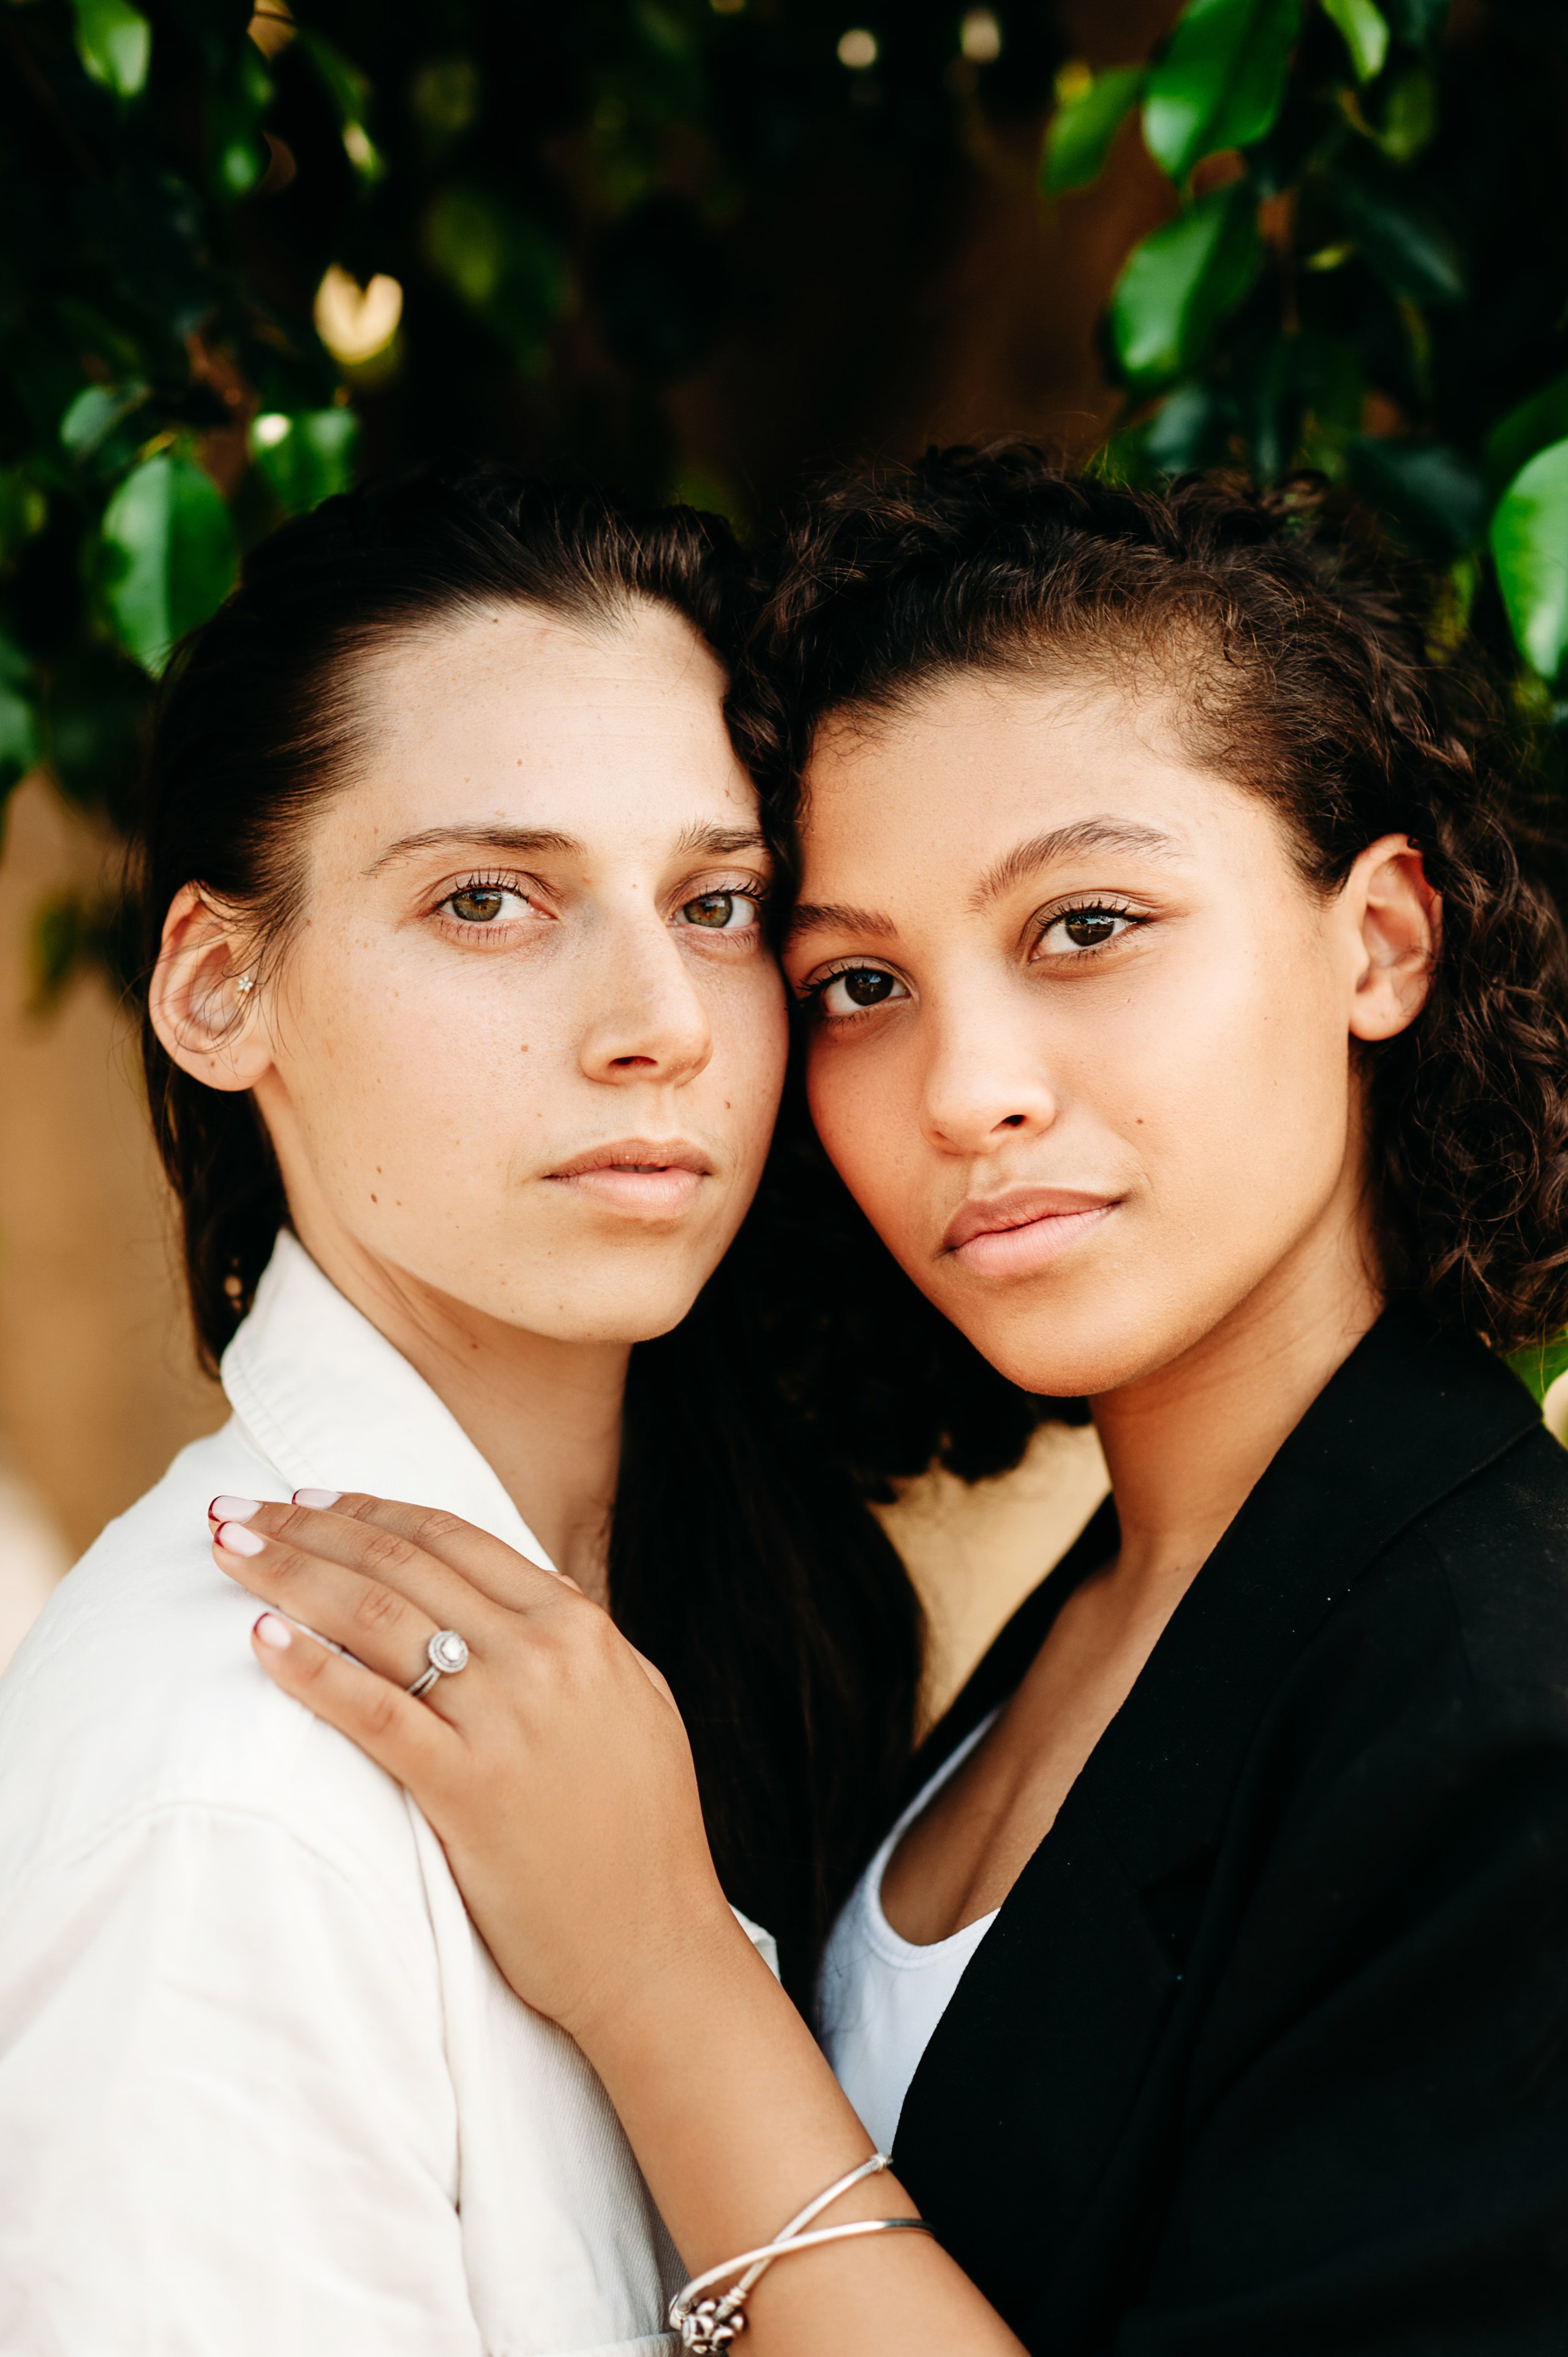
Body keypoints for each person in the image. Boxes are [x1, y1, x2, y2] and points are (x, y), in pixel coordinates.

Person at [216, 450, 1568, 2355]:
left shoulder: (1503, 1711)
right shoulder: (1128, 1587)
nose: (965, 1090)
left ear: (1383, 942)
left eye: (1086, 928)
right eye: (860, 981)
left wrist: (660, 1969)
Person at [0, 461, 988, 2355]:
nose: (661, 1021)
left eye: (719, 904)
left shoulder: (734, 1615)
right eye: (488, 897)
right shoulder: (228, 1796)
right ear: (220, 988)